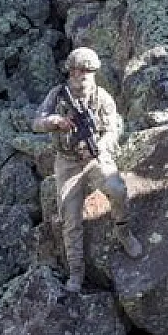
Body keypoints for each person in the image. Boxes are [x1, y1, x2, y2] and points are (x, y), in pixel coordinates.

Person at [33, 47, 142, 292]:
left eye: (88, 71)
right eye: (78, 70)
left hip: (95, 157)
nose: (82, 75)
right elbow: (36, 121)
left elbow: (115, 127)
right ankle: (76, 271)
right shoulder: (57, 95)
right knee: (70, 218)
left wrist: (102, 145)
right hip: (68, 161)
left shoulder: (102, 97)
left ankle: (123, 232)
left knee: (117, 188)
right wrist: (53, 122)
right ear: (70, 71)